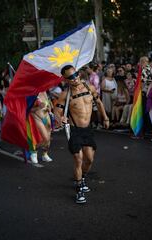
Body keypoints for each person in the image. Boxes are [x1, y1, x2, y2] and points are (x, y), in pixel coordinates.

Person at [55, 65, 109, 204]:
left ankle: (82, 177)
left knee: (89, 159)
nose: (75, 78)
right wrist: (61, 118)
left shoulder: (89, 88)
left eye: (76, 74)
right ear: (66, 79)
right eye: (71, 77)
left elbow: (99, 102)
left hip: (87, 129)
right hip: (75, 130)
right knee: (78, 159)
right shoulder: (65, 95)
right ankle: (79, 189)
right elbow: (57, 111)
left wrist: (105, 118)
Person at [29, 91, 54, 164]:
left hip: (47, 117)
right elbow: (28, 110)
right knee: (46, 138)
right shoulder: (32, 93)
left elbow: (48, 104)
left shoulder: (44, 92)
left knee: (49, 138)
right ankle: (34, 152)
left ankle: (45, 154)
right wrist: (39, 107)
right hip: (37, 118)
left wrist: (50, 110)